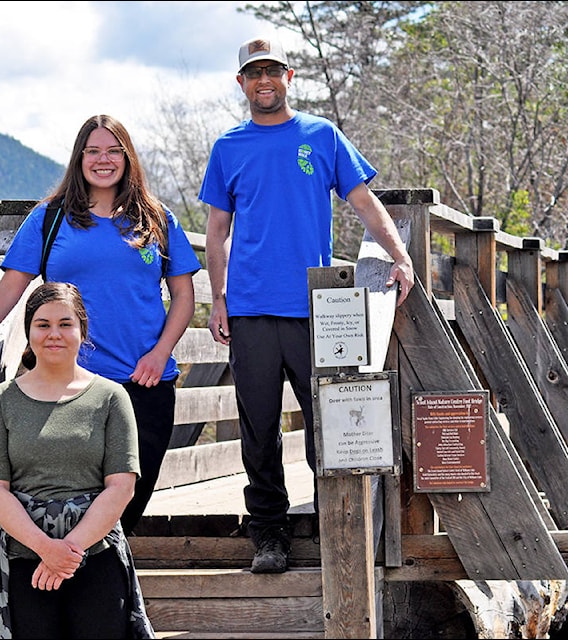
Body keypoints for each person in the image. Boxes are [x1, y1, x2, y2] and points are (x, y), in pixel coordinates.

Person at [198, 33, 415, 574]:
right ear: (242, 83)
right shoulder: (229, 147)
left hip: (314, 308)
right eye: (254, 73)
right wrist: (218, 298)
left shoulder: (321, 136)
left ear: (289, 78)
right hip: (249, 309)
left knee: (328, 426)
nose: (264, 81)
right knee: (259, 430)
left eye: (273, 71)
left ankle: (335, 529)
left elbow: (365, 203)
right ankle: (269, 538)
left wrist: (401, 256)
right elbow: (217, 229)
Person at [0, 114, 202, 535]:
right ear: (79, 158)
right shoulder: (50, 219)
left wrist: (160, 354)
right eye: (93, 151)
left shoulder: (156, 218)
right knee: (71, 506)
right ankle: (70, 575)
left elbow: (184, 297)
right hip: (69, 390)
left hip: (145, 384)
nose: (104, 160)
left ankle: (94, 583)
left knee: (125, 506)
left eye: (114, 151)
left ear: (128, 157)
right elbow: (10, 289)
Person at [0, 282, 154, 639]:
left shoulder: (112, 398)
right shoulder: (0, 401)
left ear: (82, 330)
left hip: (97, 556)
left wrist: (69, 551)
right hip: (24, 560)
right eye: (43, 324)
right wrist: (45, 549)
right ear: (29, 332)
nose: (55, 334)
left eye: (65, 324)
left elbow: (121, 487)